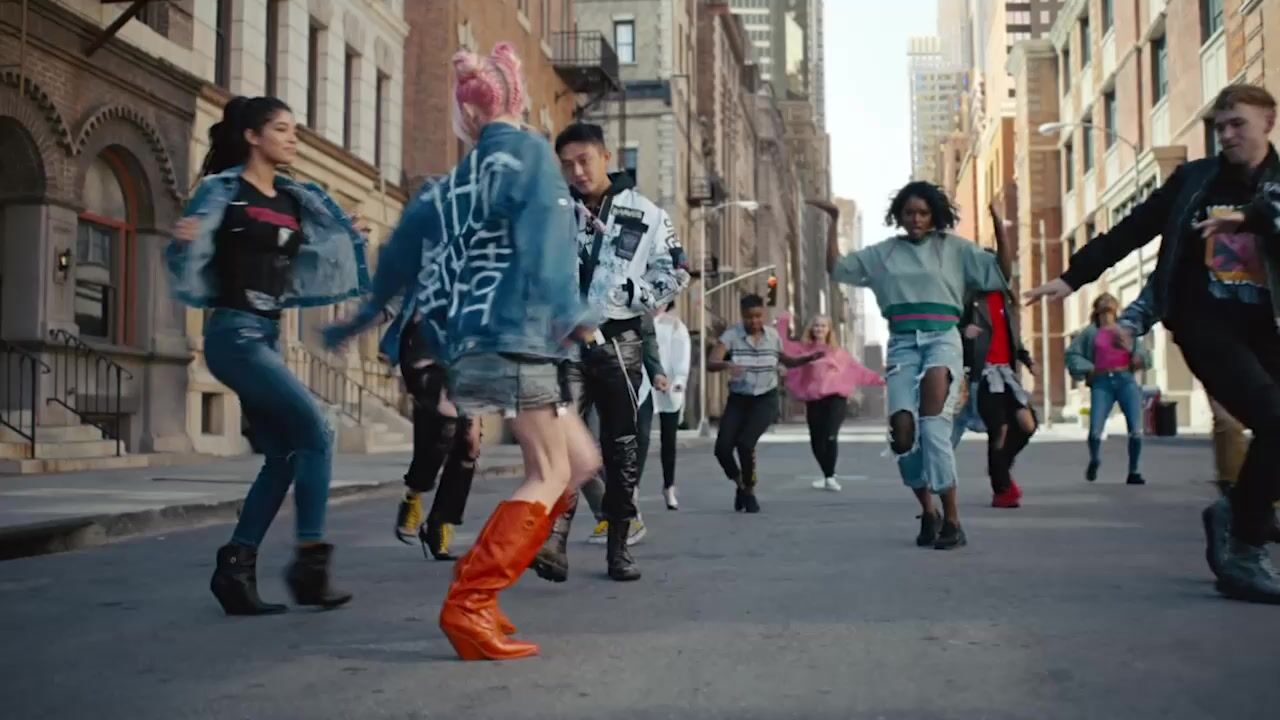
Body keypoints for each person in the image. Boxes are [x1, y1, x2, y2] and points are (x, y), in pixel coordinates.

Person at [323, 43, 602, 659]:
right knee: (552, 472)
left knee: (578, 462)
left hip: (470, 346)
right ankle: (470, 602)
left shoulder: (448, 183)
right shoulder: (530, 154)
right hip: (520, 340)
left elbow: (395, 262)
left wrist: (355, 325)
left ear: (468, 116)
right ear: (519, 100)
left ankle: (477, 592)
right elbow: (550, 245)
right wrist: (576, 316)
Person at [1026, 83, 1280, 604]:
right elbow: (1134, 229)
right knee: (1275, 419)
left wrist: (1252, 216)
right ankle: (1245, 550)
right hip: (1205, 321)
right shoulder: (1196, 180)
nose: (1227, 134)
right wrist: (1074, 277)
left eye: (1239, 125)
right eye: (1221, 126)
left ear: (1268, 123)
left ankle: (1237, 512)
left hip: (1266, 325)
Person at [167, 96, 368, 615]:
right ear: (253, 137)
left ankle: (235, 569)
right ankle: (310, 563)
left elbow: (318, 250)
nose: (293, 138)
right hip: (234, 336)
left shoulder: (295, 198)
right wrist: (187, 241)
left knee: (282, 457)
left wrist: (350, 236)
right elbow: (191, 244)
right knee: (319, 432)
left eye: (294, 130)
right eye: (282, 129)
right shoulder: (223, 193)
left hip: (268, 335)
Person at [531, 122, 689, 583]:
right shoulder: (551, 213)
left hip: (620, 342)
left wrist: (632, 291)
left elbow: (677, 272)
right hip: (563, 344)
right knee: (561, 442)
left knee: (621, 448)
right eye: (567, 164)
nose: (577, 171)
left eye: (585, 160)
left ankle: (619, 547)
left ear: (606, 156)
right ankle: (555, 541)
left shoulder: (648, 215)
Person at [821, 183, 1008, 550]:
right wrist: (833, 220)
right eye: (909, 213)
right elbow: (837, 268)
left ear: (935, 214)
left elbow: (1000, 272)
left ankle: (953, 519)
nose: (916, 219)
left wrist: (1000, 224)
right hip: (903, 343)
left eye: (923, 212)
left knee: (934, 426)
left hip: (942, 339)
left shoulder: (955, 249)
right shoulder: (885, 253)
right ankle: (929, 511)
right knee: (903, 432)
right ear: (899, 216)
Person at [1117, 274, 1280, 577]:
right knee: (1236, 423)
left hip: (1264, 330)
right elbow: (1172, 265)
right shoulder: (1198, 231)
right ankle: (1243, 529)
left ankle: (1243, 506)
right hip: (1219, 336)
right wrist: (1133, 320)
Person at [706, 294, 825, 513]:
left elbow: (786, 360)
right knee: (722, 449)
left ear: (764, 314)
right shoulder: (731, 335)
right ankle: (740, 483)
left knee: (745, 444)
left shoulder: (772, 336)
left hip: (765, 399)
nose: (754, 321)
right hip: (739, 399)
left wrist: (808, 358)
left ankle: (749, 491)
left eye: (759, 316)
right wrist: (725, 365)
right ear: (742, 316)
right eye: (749, 317)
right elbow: (711, 362)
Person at [956, 203, 1040, 508]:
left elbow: (1013, 341)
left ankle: (1000, 468)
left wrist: (1028, 361)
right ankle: (1002, 489)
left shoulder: (1005, 300)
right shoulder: (969, 301)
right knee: (1000, 429)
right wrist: (965, 336)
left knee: (1028, 424)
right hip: (984, 376)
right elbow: (953, 335)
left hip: (1007, 373)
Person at [390, 313, 481, 561]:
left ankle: (440, 523)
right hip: (427, 345)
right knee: (445, 423)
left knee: (470, 446)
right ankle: (414, 493)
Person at [578, 315, 666, 546]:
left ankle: (625, 518)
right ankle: (611, 516)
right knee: (573, 451)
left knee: (603, 450)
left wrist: (656, 370)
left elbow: (646, 334)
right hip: (575, 372)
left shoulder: (627, 285)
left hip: (614, 376)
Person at [775, 312, 883, 491]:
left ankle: (830, 476)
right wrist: (783, 321)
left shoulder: (839, 353)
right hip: (814, 400)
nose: (819, 329)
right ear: (812, 329)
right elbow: (782, 346)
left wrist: (882, 380)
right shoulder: (802, 349)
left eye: (823, 326)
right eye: (816, 325)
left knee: (830, 435)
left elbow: (859, 371)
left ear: (829, 330)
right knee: (816, 440)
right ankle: (827, 475)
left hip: (835, 399)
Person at [1064, 293, 1150, 485]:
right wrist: (1089, 368)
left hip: (1125, 380)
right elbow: (1072, 355)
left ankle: (1134, 471)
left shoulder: (1126, 330)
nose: (1107, 311)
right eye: (1103, 308)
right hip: (1102, 381)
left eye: (1110, 307)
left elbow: (1142, 353)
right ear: (1097, 311)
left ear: (1115, 309)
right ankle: (1094, 459)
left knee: (1136, 430)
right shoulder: (1090, 333)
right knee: (1095, 431)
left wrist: (1135, 356)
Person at [654, 301, 691, 509]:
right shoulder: (636, 321)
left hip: (668, 386)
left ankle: (669, 485)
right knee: (636, 439)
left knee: (668, 439)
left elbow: (682, 357)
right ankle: (632, 489)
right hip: (642, 384)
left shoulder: (674, 325)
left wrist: (678, 381)